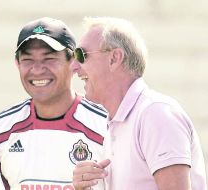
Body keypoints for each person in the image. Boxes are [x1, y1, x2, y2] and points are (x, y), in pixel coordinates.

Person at [71, 17, 207, 190]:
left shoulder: (155, 114)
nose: (74, 66)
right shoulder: (115, 123)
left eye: (82, 55)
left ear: (115, 58)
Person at [0, 17, 108, 190]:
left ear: (73, 62)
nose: (38, 69)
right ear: (17, 64)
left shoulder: (106, 127)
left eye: (49, 58)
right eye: (28, 60)